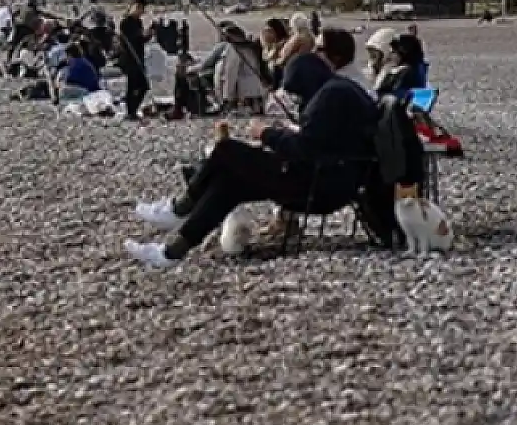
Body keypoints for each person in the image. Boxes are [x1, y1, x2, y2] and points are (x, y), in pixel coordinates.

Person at [125, 28, 378, 266]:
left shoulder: (333, 94)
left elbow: (305, 149)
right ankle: (171, 252)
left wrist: (266, 134)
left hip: (319, 186)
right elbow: (323, 141)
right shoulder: (341, 89)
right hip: (330, 179)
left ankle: (180, 208)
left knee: (227, 150)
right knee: (230, 184)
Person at [192, 23, 268, 114]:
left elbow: (230, 73)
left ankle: (214, 104)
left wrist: (227, 99)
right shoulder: (252, 48)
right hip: (257, 95)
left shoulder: (233, 49)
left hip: (243, 98)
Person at [115, 0, 151, 119]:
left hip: (139, 57)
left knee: (143, 86)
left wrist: (150, 34)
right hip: (130, 58)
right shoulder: (125, 22)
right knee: (134, 86)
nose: (141, 12)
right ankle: (131, 112)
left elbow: (141, 40)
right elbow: (131, 40)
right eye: (140, 8)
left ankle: (132, 110)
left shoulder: (138, 22)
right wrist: (143, 36)